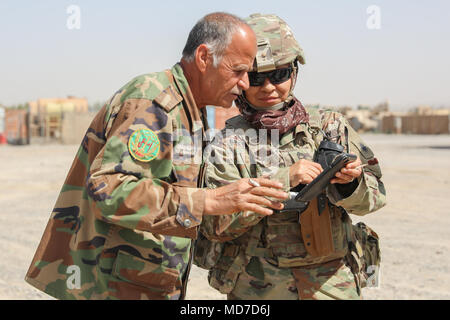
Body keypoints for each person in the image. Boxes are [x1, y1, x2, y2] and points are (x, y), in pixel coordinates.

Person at [25, 12, 289, 300]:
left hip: (144, 283)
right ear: (203, 58)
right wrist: (208, 201)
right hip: (114, 288)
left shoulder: (191, 110)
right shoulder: (155, 103)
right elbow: (108, 188)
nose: (245, 84)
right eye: (238, 71)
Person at [197, 13, 386, 300]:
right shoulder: (228, 142)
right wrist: (284, 179)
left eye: (280, 74)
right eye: (257, 77)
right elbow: (215, 225)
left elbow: (376, 197)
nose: (269, 87)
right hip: (258, 286)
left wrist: (349, 184)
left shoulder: (328, 125)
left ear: (294, 72)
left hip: (331, 282)